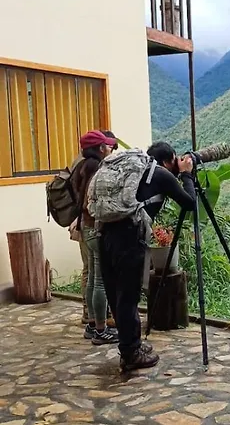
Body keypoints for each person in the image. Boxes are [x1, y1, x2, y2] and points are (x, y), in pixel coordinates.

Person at [99, 141, 195, 371]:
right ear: (168, 160)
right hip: (129, 239)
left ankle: (131, 345)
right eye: (175, 160)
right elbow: (190, 203)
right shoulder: (161, 174)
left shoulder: (136, 172)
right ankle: (131, 354)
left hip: (105, 234)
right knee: (128, 297)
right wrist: (187, 175)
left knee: (117, 296)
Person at [73, 131, 119, 345]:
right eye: (107, 146)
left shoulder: (82, 166)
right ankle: (101, 330)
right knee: (100, 280)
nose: (110, 149)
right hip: (95, 227)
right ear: (101, 148)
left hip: (85, 227)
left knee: (92, 277)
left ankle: (92, 325)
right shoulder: (97, 169)